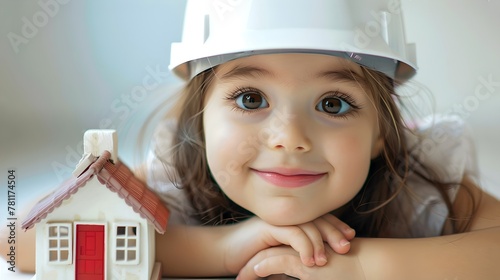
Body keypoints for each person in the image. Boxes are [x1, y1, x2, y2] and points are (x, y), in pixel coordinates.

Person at [3, 0, 500, 279]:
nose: (289, 139)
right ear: (199, 120)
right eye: (249, 99)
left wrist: (364, 268)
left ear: (380, 135)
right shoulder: (178, 182)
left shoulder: (413, 183)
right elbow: (15, 242)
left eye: (333, 104)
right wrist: (222, 249)